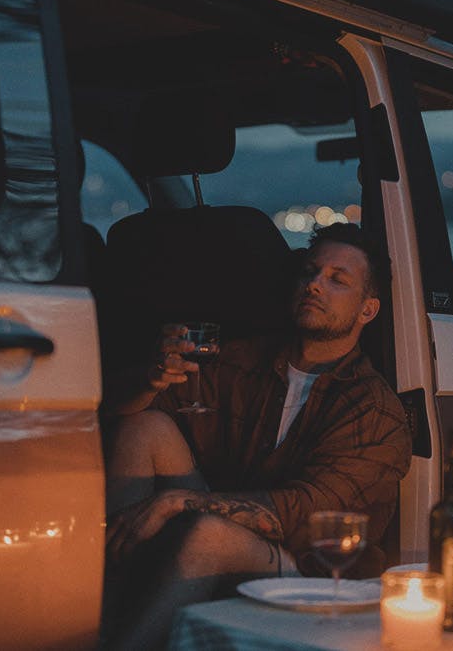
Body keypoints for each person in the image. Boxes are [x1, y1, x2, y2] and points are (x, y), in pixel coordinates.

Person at [100, 222, 413, 650]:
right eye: (310, 272)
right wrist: (152, 379)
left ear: (367, 310)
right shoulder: (244, 359)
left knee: (207, 533)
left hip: (313, 569)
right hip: (231, 524)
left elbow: (309, 515)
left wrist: (177, 502)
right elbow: (114, 413)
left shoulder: (373, 409)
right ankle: (99, 615)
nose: (315, 286)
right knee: (143, 428)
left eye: (337, 280)